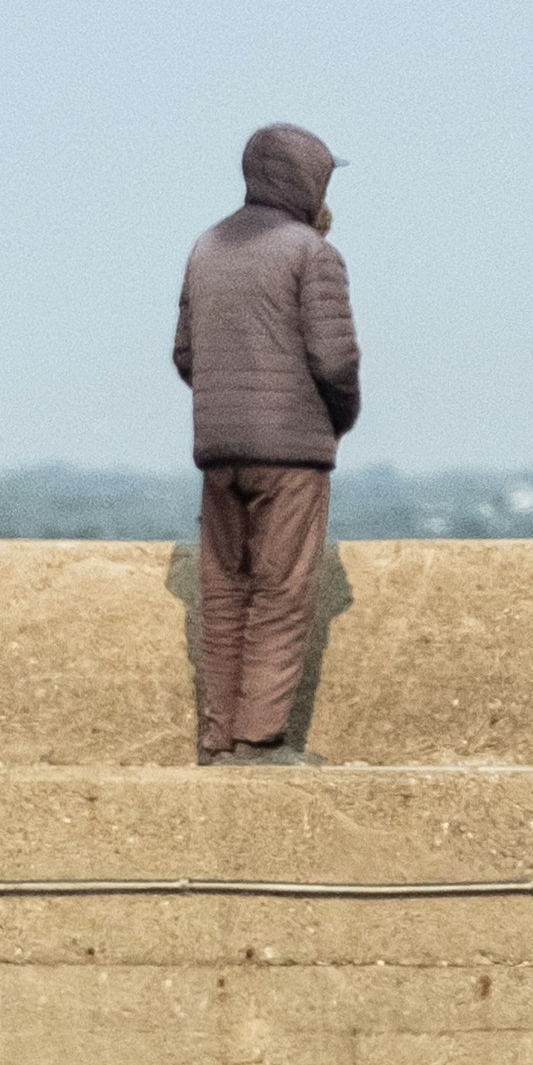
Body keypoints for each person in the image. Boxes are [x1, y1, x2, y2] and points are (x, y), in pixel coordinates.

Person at [172, 121, 358, 767]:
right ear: (306, 180)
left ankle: (216, 739)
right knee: (280, 591)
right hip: (290, 451)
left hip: (217, 447)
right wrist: (336, 417)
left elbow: (185, 353)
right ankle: (258, 740)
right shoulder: (310, 251)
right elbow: (334, 362)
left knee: (223, 592)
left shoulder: (206, 246)